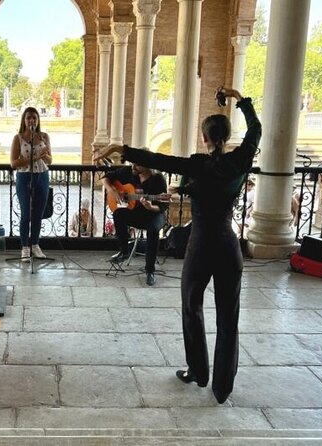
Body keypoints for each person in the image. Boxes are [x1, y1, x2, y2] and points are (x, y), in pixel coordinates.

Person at [94, 87, 261, 404]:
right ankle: (223, 387)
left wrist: (123, 149)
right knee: (229, 317)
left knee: (191, 308)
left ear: (204, 138)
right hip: (228, 246)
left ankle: (198, 371)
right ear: (226, 136)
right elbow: (256, 130)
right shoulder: (242, 158)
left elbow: (160, 159)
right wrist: (241, 99)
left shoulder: (198, 164)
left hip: (201, 245)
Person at [102, 162, 168, 286]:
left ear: (146, 165)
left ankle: (150, 271)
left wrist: (150, 206)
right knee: (118, 214)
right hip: (136, 213)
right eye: (132, 164)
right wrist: (113, 190)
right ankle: (124, 251)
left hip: (154, 214)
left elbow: (163, 205)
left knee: (153, 230)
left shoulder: (158, 179)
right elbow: (106, 177)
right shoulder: (128, 172)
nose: (133, 167)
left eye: (137, 165)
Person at [10, 107, 52, 261]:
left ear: (38, 119)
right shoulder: (18, 138)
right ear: (24, 120)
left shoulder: (44, 137)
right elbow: (13, 163)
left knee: (38, 214)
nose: (31, 120)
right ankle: (25, 247)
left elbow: (50, 160)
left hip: (43, 175)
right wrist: (34, 157)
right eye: (28, 118)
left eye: (34, 117)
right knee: (26, 214)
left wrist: (44, 156)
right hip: (24, 177)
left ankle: (35, 244)